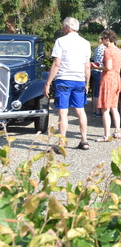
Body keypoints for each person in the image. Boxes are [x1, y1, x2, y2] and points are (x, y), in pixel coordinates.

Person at [44, 17, 91, 152]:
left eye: (63, 27)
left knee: (63, 112)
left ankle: (61, 143)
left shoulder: (60, 41)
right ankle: (84, 140)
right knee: (80, 111)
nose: (62, 29)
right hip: (79, 80)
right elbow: (87, 66)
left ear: (66, 27)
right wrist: (87, 83)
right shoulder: (85, 43)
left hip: (64, 79)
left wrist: (48, 83)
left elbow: (57, 63)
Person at [95, 30, 121, 142]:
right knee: (114, 107)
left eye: (103, 38)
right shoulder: (118, 50)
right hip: (116, 79)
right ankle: (117, 131)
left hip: (108, 80)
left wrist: (96, 67)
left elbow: (108, 67)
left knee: (105, 108)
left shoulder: (108, 51)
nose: (102, 40)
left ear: (107, 39)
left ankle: (106, 135)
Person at [91, 37, 106, 117]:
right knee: (98, 93)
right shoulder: (104, 49)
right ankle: (98, 111)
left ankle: (94, 110)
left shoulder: (97, 48)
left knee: (95, 92)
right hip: (100, 70)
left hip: (95, 70)